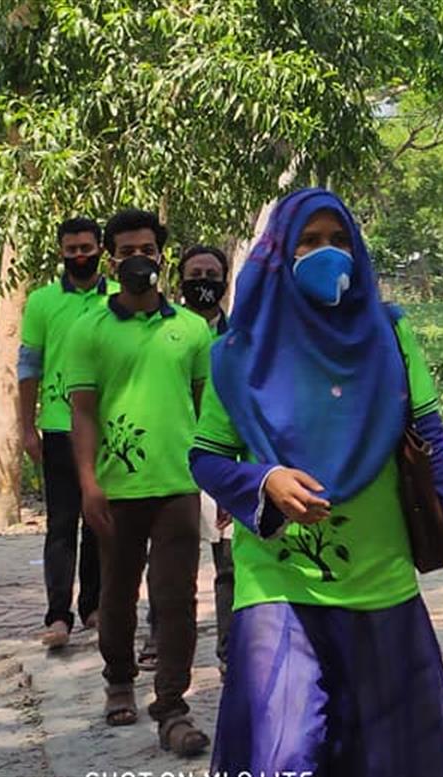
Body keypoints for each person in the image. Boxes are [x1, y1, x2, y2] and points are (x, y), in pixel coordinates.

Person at [189, 188, 443, 776]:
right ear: (280, 253)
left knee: (384, 758)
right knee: (283, 752)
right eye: (309, 241)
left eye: (338, 241)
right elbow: (205, 458)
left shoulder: (391, 337)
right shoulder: (237, 354)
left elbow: (430, 442)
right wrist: (267, 480)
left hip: (380, 584)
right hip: (277, 584)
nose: (327, 254)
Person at [65, 209, 213, 756]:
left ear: (161, 255)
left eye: (146, 250)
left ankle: (172, 707)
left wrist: (217, 477)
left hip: (178, 484)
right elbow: (82, 413)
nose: (137, 260)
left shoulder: (193, 330)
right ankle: (118, 681)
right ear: (111, 258)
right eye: (125, 251)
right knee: (117, 593)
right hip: (115, 489)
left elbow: (206, 408)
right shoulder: (89, 329)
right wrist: (88, 484)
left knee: (176, 599)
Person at [21, 217, 115, 649]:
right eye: (71, 248)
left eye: (86, 247)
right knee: (61, 523)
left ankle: (94, 606)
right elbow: (28, 368)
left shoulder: (119, 299)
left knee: (98, 522)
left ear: (100, 248)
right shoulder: (41, 302)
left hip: (109, 429)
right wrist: (26, 429)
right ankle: (58, 615)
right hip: (58, 427)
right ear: (60, 251)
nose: (80, 255)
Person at [178, 244, 234, 675]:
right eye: (195, 273)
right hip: (171, 460)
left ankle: (230, 651)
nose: (203, 282)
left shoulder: (239, 340)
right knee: (169, 563)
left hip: (223, 462)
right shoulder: (164, 334)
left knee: (228, 564)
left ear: (225, 280)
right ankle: (161, 640)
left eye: (211, 274)